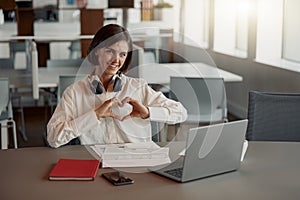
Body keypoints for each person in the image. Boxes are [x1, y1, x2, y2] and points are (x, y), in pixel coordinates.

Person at [47, 24, 187, 148]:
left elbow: (181, 113)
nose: (116, 60)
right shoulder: (74, 93)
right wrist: (94, 115)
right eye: (110, 51)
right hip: (99, 162)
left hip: (137, 161)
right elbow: (53, 138)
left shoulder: (138, 87)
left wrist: (147, 112)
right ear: (96, 50)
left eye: (122, 54)